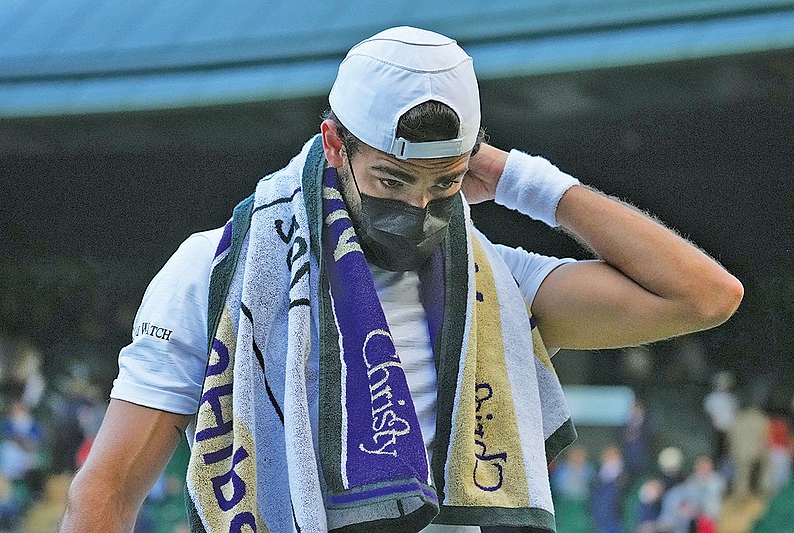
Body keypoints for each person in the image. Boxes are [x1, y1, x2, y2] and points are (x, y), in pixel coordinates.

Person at [59, 26, 743, 533]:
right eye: (392, 179)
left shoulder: (494, 283)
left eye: (444, 183)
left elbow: (704, 295)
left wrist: (517, 178)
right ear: (335, 144)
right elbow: (107, 491)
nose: (418, 207)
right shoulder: (214, 272)